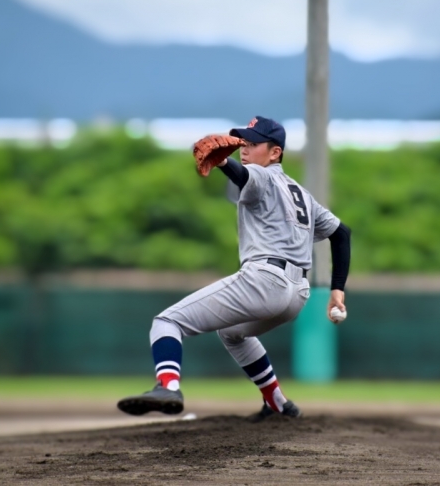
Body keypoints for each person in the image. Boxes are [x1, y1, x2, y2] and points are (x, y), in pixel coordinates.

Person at [117, 116, 351, 421]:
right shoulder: (302, 195)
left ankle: (168, 387)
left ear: (275, 153)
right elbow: (342, 233)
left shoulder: (262, 175)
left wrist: (223, 162)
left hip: (265, 281)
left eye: (253, 144)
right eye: (243, 142)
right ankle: (278, 403)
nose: (244, 149)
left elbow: (243, 175)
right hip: (297, 295)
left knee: (166, 322)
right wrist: (337, 290)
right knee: (231, 333)